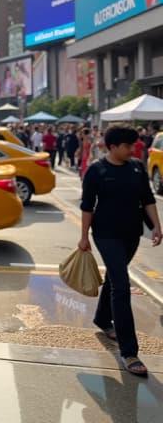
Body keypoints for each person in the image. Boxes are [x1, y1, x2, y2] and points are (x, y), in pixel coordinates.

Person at [79, 125, 162, 377]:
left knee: (116, 279)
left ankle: (103, 320)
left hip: (131, 234)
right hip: (105, 234)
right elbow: (87, 206)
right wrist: (83, 237)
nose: (132, 149)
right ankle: (129, 352)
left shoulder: (136, 168)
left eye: (133, 145)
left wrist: (157, 226)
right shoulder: (97, 170)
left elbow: (147, 198)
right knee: (122, 286)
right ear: (112, 147)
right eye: (127, 146)